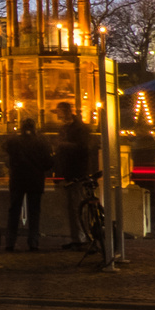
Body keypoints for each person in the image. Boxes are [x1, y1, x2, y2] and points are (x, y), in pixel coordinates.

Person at [3, 119, 54, 252]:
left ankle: (10, 242)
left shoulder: (13, 141)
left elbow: (7, 157)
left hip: (17, 179)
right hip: (35, 180)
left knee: (14, 211)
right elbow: (49, 162)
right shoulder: (42, 142)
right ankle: (33, 242)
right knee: (34, 212)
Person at [53, 105, 94, 250]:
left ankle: (81, 237)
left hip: (76, 173)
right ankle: (77, 237)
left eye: (59, 111)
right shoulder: (69, 128)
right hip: (70, 172)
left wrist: (63, 145)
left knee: (76, 205)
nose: (57, 114)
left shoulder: (78, 129)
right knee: (73, 206)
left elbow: (83, 148)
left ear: (66, 112)